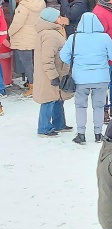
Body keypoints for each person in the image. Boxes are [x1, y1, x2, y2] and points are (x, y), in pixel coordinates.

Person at [61, 12, 112, 144]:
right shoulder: (104, 37)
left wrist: (76, 61)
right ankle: (98, 134)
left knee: (80, 106)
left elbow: (63, 56)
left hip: (80, 79)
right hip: (101, 77)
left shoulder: (74, 38)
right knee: (99, 106)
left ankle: (81, 134)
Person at [32, 7, 72, 137]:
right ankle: (44, 127)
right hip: (50, 74)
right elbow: (47, 59)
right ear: (52, 20)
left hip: (53, 72)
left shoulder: (48, 32)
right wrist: (53, 76)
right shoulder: (50, 35)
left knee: (57, 99)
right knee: (48, 100)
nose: (61, 18)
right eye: (58, 17)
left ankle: (59, 123)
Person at [9, 0, 45, 95]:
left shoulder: (23, 5)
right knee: (36, 62)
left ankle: (32, 86)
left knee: (27, 63)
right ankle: (38, 83)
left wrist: (9, 33)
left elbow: (17, 23)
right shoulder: (40, 0)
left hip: (24, 37)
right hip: (36, 34)